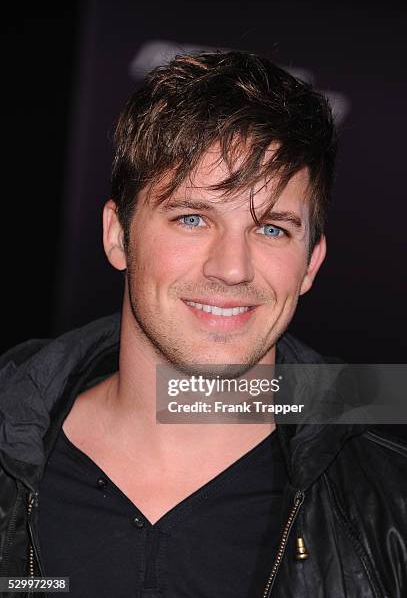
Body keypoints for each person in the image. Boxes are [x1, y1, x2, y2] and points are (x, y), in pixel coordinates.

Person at [0, 51, 405, 598]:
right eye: (192, 218)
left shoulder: (389, 488)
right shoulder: (10, 432)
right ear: (118, 234)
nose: (231, 268)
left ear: (311, 263)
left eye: (272, 230)